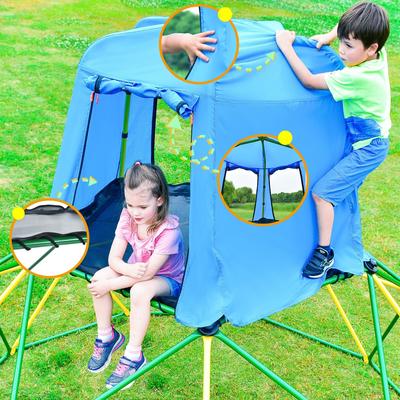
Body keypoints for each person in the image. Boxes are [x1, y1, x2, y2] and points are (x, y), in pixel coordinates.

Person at [275, 2, 390, 278]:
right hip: (366, 141)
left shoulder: (359, 77)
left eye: (349, 46)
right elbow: (348, 24)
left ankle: (325, 252)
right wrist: (330, 35)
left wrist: (286, 46)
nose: (342, 50)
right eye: (342, 42)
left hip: (368, 148)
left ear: (371, 48)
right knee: (339, 191)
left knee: (323, 193)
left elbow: (309, 81)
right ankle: (344, 240)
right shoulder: (378, 55)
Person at [87, 161, 185, 389]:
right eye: (130, 204)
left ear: (159, 200)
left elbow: (147, 275)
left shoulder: (169, 232)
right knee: (98, 278)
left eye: (142, 207)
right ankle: (107, 336)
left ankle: (134, 355)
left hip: (166, 279)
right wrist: (123, 271)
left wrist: (111, 285)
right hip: (134, 269)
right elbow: (113, 259)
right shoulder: (127, 216)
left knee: (139, 291)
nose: (135, 212)